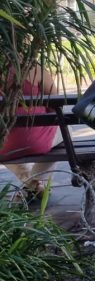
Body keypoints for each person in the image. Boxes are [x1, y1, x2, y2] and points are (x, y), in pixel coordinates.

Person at [0, 65, 62, 201]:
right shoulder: (34, 68)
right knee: (66, 134)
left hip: (3, 145)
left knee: (7, 143)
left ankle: (32, 184)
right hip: (35, 141)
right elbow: (56, 103)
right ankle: (34, 183)